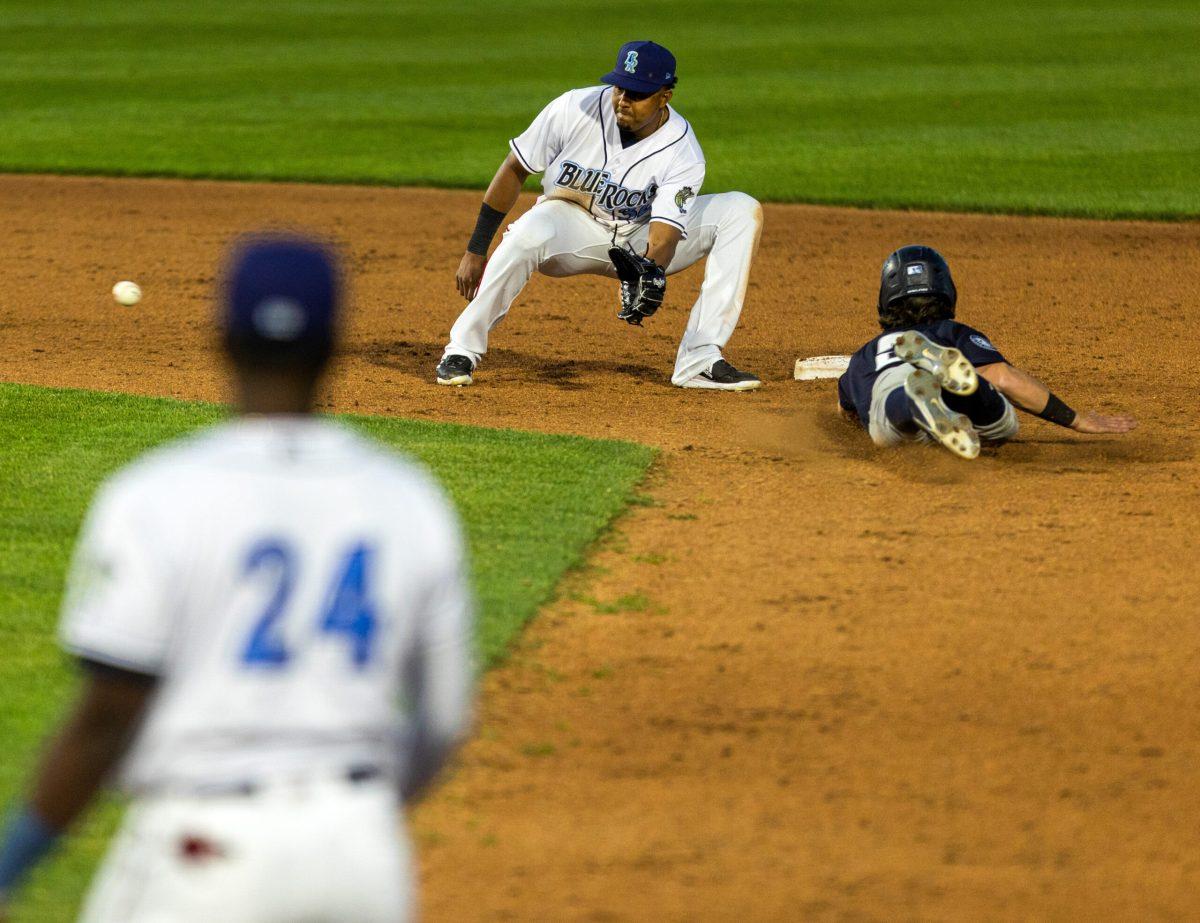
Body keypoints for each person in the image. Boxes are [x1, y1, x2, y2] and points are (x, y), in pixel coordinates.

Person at [0, 237, 474, 922]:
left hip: (204, 856)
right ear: (334, 346)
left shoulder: (155, 495)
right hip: (360, 856)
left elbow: (107, 715)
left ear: (221, 339)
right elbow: (446, 719)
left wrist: (13, 863)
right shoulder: (409, 500)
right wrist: (352, 811)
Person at [436, 40, 765, 391]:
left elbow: (666, 231)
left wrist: (648, 272)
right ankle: (462, 351)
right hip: (571, 224)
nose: (623, 100)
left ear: (664, 96)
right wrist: (476, 248)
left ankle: (699, 359)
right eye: (621, 87)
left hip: (639, 237)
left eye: (637, 94)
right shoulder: (574, 108)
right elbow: (515, 169)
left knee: (741, 209)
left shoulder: (683, 150)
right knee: (527, 233)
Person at [838, 245, 1137, 459]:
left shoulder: (863, 355)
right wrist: (1076, 419)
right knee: (1001, 423)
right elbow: (1005, 378)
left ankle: (912, 403)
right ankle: (954, 392)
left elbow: (847, 413)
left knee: (886, 417)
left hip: (886, 387)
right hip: (943, 366)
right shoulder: (950, 332)